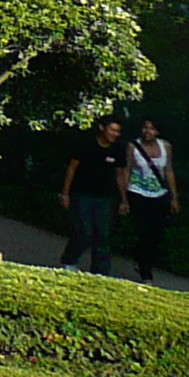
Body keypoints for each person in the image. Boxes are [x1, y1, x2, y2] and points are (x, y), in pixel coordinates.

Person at [57, 115, 125, 274]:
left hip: (105, 197)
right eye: (112, 130)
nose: (115, 134)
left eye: (118, 131)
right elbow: (72, 168)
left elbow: (120, 175)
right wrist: (65, 194)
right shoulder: (86, 144)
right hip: (82, 195)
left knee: (103, 235)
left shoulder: (118, 149)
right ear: (102, 128)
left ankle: (100, 272)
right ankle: (69, 260)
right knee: (84, 231)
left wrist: (123, 200)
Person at [125, 116, 180, 283]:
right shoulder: (133, 146)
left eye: (151, 128)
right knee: (145, 230)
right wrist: (124, 198)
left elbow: (169, 171)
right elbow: (126, 169)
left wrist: (174, 197)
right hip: (138, 191)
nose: (147, 131)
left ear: (157, 132)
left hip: (159, 193)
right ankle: (145, 271)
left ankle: (142, 257)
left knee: (156, 233)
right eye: (145, 128)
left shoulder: (166, 147)